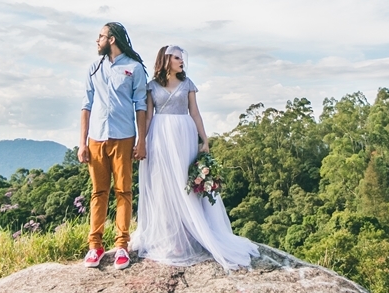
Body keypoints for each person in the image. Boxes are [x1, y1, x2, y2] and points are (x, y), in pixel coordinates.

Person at [130, 45, 258, 269]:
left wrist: (204, 139)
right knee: (162, 184)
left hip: (184, 134)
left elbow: (195, 113)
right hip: (160, 136)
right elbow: (149, 117)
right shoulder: (151, 86)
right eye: (177, 58)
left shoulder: (187, 84)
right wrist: (142, 142)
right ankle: (170, 236)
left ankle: (190, 235)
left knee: (184, 182)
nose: (182, 61)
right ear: (167, 60)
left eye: (182, 58)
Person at [79, 22, 148, 270]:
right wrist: (82, 143)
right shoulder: (94, 68)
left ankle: (121, 246)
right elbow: (86, 106)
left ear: (112, 39)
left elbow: (140, 105)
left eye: (100, 36)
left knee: (123, 192)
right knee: (99, 193)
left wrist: (142, 140)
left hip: (124, 137)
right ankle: (94, 247)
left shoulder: (134, 68)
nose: (97, 40)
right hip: (96, 138)